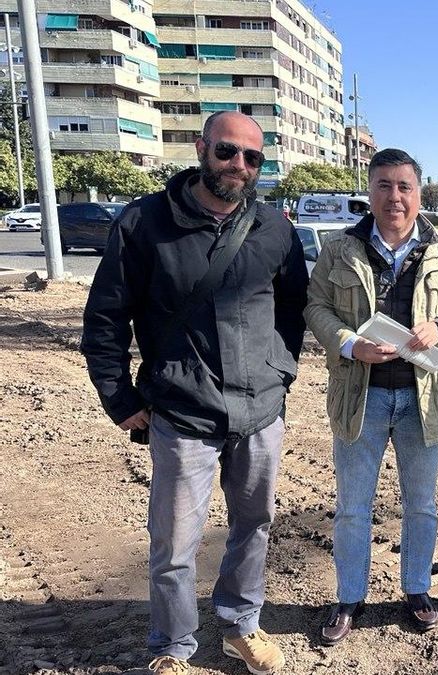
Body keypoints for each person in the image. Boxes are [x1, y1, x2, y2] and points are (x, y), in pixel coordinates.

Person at [81, 111, 307, 675]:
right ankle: (172, 648)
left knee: (253, 526)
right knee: (175, 545)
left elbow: (294, 310)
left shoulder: (275, 228)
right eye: (229, 152)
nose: (239, 166)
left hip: (259, 411)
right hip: (182, 413)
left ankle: (240, 626)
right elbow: (106, 319)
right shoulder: (144, 223)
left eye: (253, 158)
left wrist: (280, 370)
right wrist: (120, 398)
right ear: (202, 148)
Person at [304, 148, 438, 644]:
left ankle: (417, 590)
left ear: (419, 193)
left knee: (421, 505)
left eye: (404, 187)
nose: (395, 197)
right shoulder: (341, 248)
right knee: (353, 507)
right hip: (361, 400)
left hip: (422, 402)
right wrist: (348, 343)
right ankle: (349, 597)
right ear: (371, 191)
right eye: (384, 185)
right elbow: (316, 307)